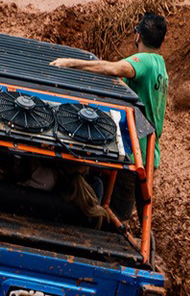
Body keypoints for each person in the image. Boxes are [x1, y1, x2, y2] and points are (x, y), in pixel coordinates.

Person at [50, 12, 168, 220]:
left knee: (116, 212)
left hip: (133, 151)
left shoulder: (144, 61)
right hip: (149, 151)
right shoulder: (160, 66)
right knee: (142, 211)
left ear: (138, 36)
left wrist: (70, 63)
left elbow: (114, 68)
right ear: (163, 40)